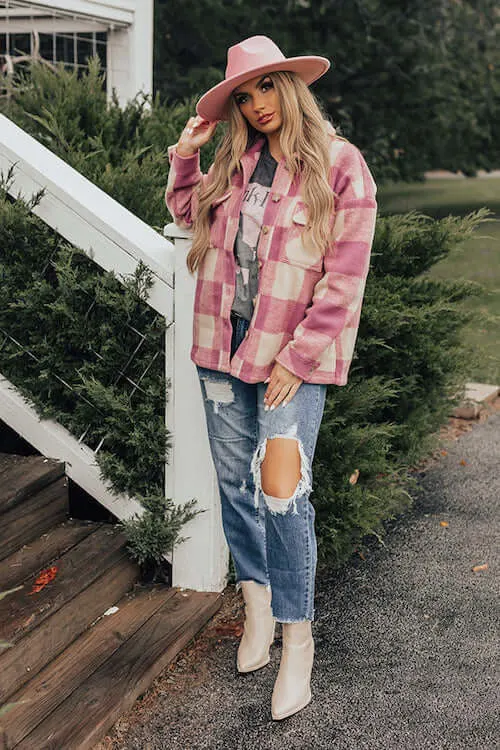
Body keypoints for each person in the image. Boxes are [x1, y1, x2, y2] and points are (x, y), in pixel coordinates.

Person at [165, 35, 377, 721]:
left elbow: (345, 277)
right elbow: (185, 212)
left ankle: (297, 638)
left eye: (265, 88)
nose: (256, 105)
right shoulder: (237, 162)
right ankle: (255, 602)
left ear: (290, 85)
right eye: (243, 95)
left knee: (282, 491)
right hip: (220, 353)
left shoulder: (341, 165)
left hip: (292, 363)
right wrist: (187, 151)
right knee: (234, 483)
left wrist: (298, 356)